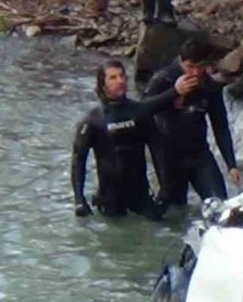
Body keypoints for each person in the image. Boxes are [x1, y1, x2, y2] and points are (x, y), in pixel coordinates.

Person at [70, 60, 188, 219]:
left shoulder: (139, 112)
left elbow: (158, 150)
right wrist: (79, 199)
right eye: (113, 77)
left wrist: (165, 189)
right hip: (109, 200)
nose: (120, 81)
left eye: (122, 76)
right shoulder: (93, 120)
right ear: (102, 85)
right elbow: (78, 159)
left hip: (140, 196)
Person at [144, 38, 243, 205]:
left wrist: (231, 164)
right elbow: (142, 110)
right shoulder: (163, 79)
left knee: (219, 204)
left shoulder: (209, 85)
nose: (195, 73)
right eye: (190, 67)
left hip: (199, 154)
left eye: (201, 67)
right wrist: (174, 93)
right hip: (168, 156)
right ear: (181, 61)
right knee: (174, 212)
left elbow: (220, 125)